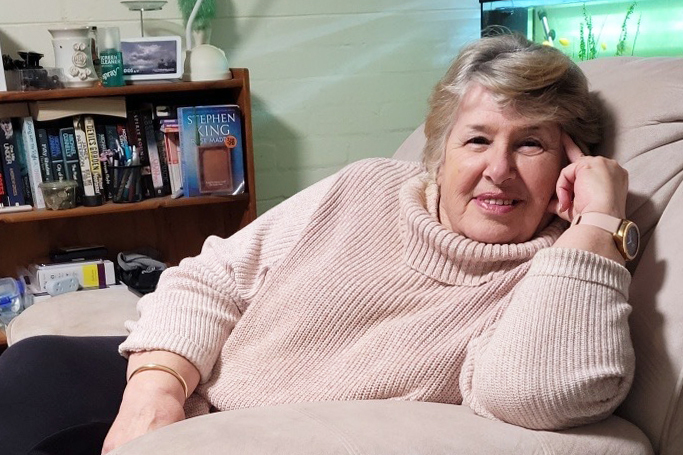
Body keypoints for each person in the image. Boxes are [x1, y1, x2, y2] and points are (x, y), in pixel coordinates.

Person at [0, 33, 636, 455]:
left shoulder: (555, 277)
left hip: (237, 438)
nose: (498, 169)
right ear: (438, 152)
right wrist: (156, 388)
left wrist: (596, 227)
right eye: (476, 140)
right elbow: (211, 275)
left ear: (569, 164)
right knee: (32, 369)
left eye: (531, 144)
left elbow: (540, 393)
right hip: (185, 388)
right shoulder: (367, 187)